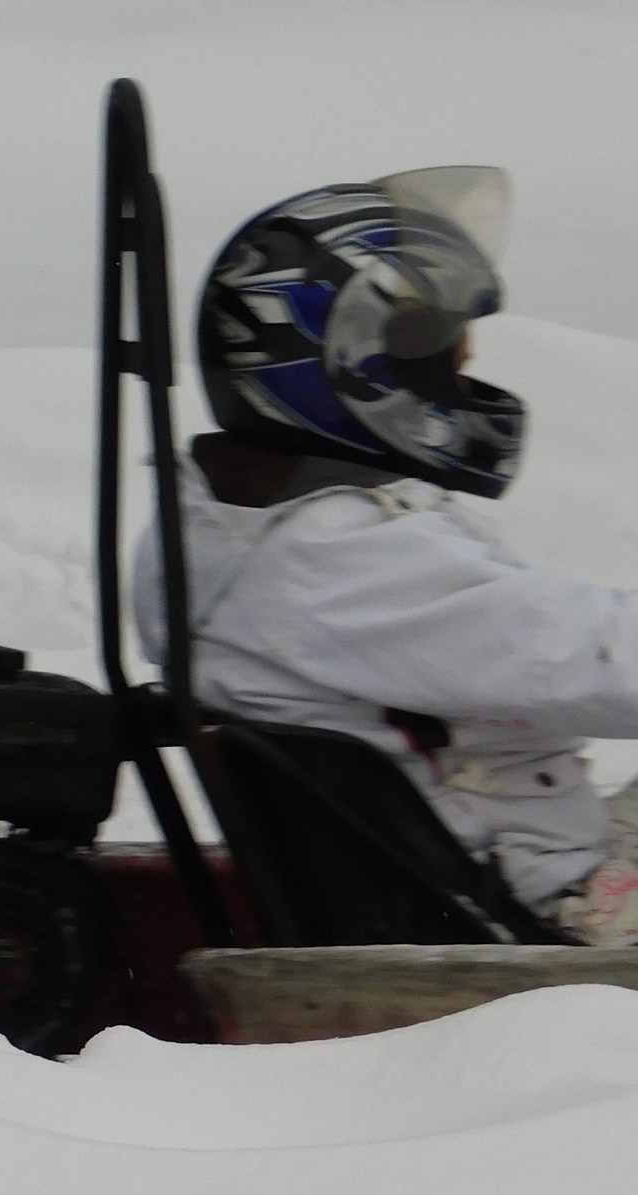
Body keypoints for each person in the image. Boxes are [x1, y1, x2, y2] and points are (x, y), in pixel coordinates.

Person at [135, 167, 638, 944]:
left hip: (510, 865)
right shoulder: (332, 556)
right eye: (434, 346)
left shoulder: (229, 535)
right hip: (547, 911)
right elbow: (590, 657)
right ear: (352, 361)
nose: (462, 359)